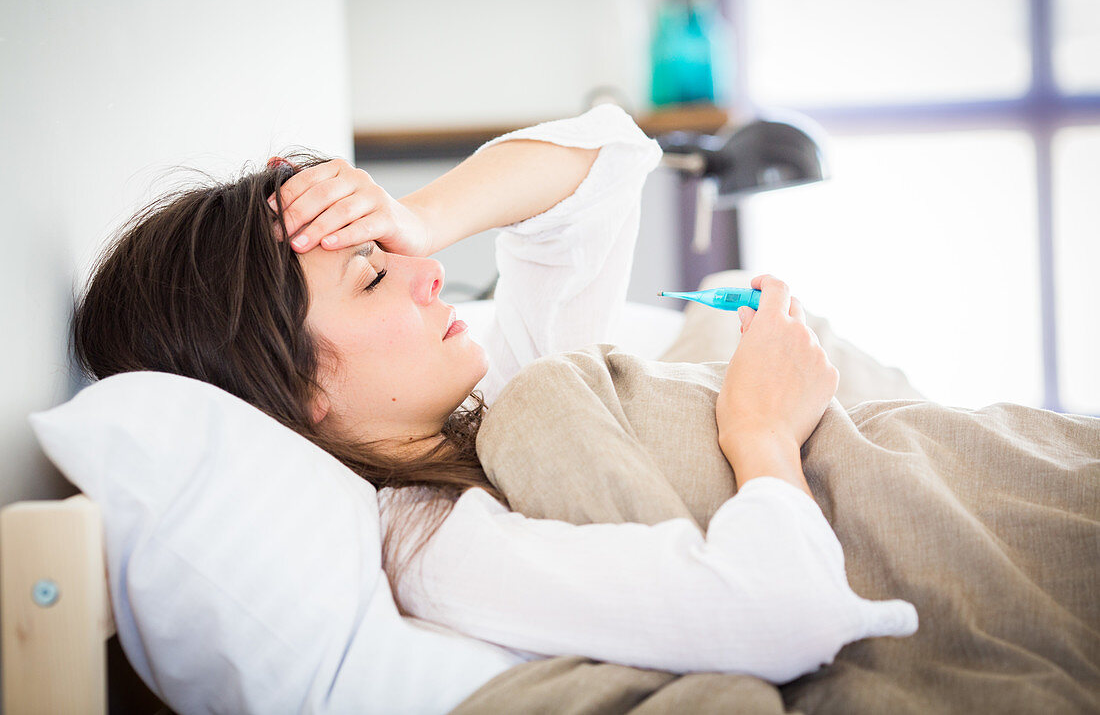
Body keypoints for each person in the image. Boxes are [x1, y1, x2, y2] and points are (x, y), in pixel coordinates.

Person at [73, 103, 916, 683]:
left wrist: (416, 217)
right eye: (371, 277)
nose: (430, 272)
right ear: (294, 391)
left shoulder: (493, 409)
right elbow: (781, 613)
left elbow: (605, 164)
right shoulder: (443, 547)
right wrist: (763, 426)